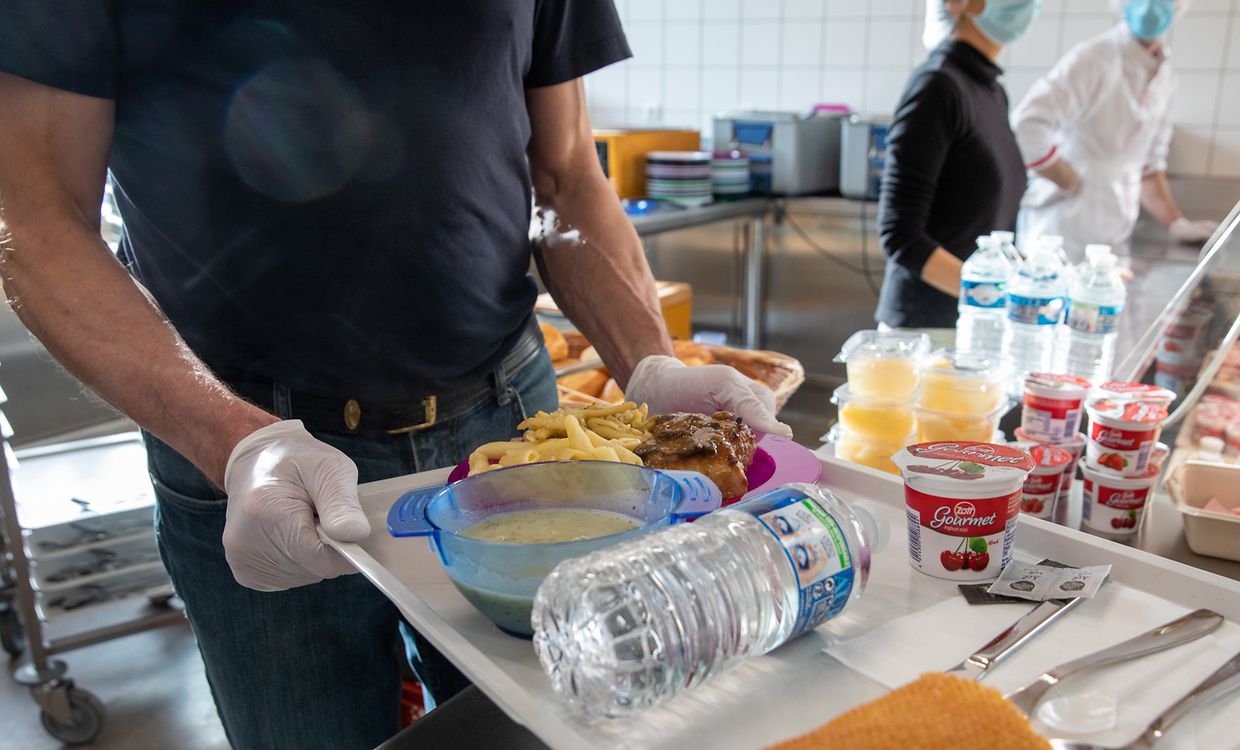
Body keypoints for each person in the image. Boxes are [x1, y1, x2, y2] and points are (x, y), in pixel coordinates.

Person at [0, 4, 790, 749]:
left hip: (515, 427)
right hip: (262, 455)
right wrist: (235, 443)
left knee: (556, 724)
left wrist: (647, 358)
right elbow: (34, 216)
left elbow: (564, 176)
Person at [876, 0, 1040, 329]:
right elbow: (900, 235)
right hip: (925, 332)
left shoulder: (991, 91)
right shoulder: (937, 86)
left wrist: (1040, 281)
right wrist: (995, 297)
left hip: (976, 326)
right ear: (961, 4)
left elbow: (987, 229)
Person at [1012, 0, 1218, 258]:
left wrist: (1176, 222)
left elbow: (1149, 165)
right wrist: (1067, 177)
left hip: (1115, 230)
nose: (1149, 8)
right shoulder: (1094, 58)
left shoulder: (1164, 76)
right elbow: (1027, 122)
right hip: (1061, 226)